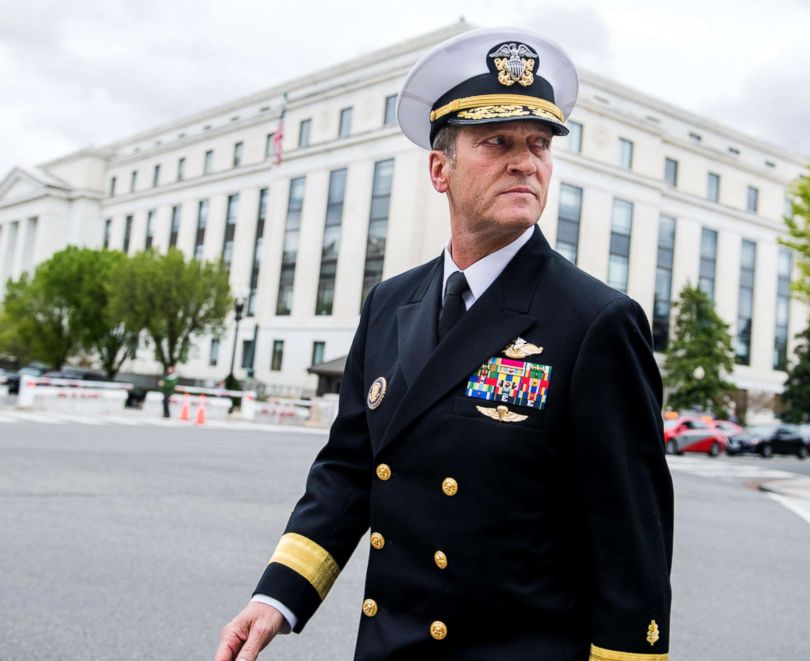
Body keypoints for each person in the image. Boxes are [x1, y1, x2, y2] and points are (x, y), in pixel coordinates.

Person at [215, 26, 673, 661]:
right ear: (440, 168)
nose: (526, 161)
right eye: (497, 142)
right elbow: (349, 469)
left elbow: (631, 541)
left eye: (539, 144)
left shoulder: (596, 321)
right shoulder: (389, 304)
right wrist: (277, 598)